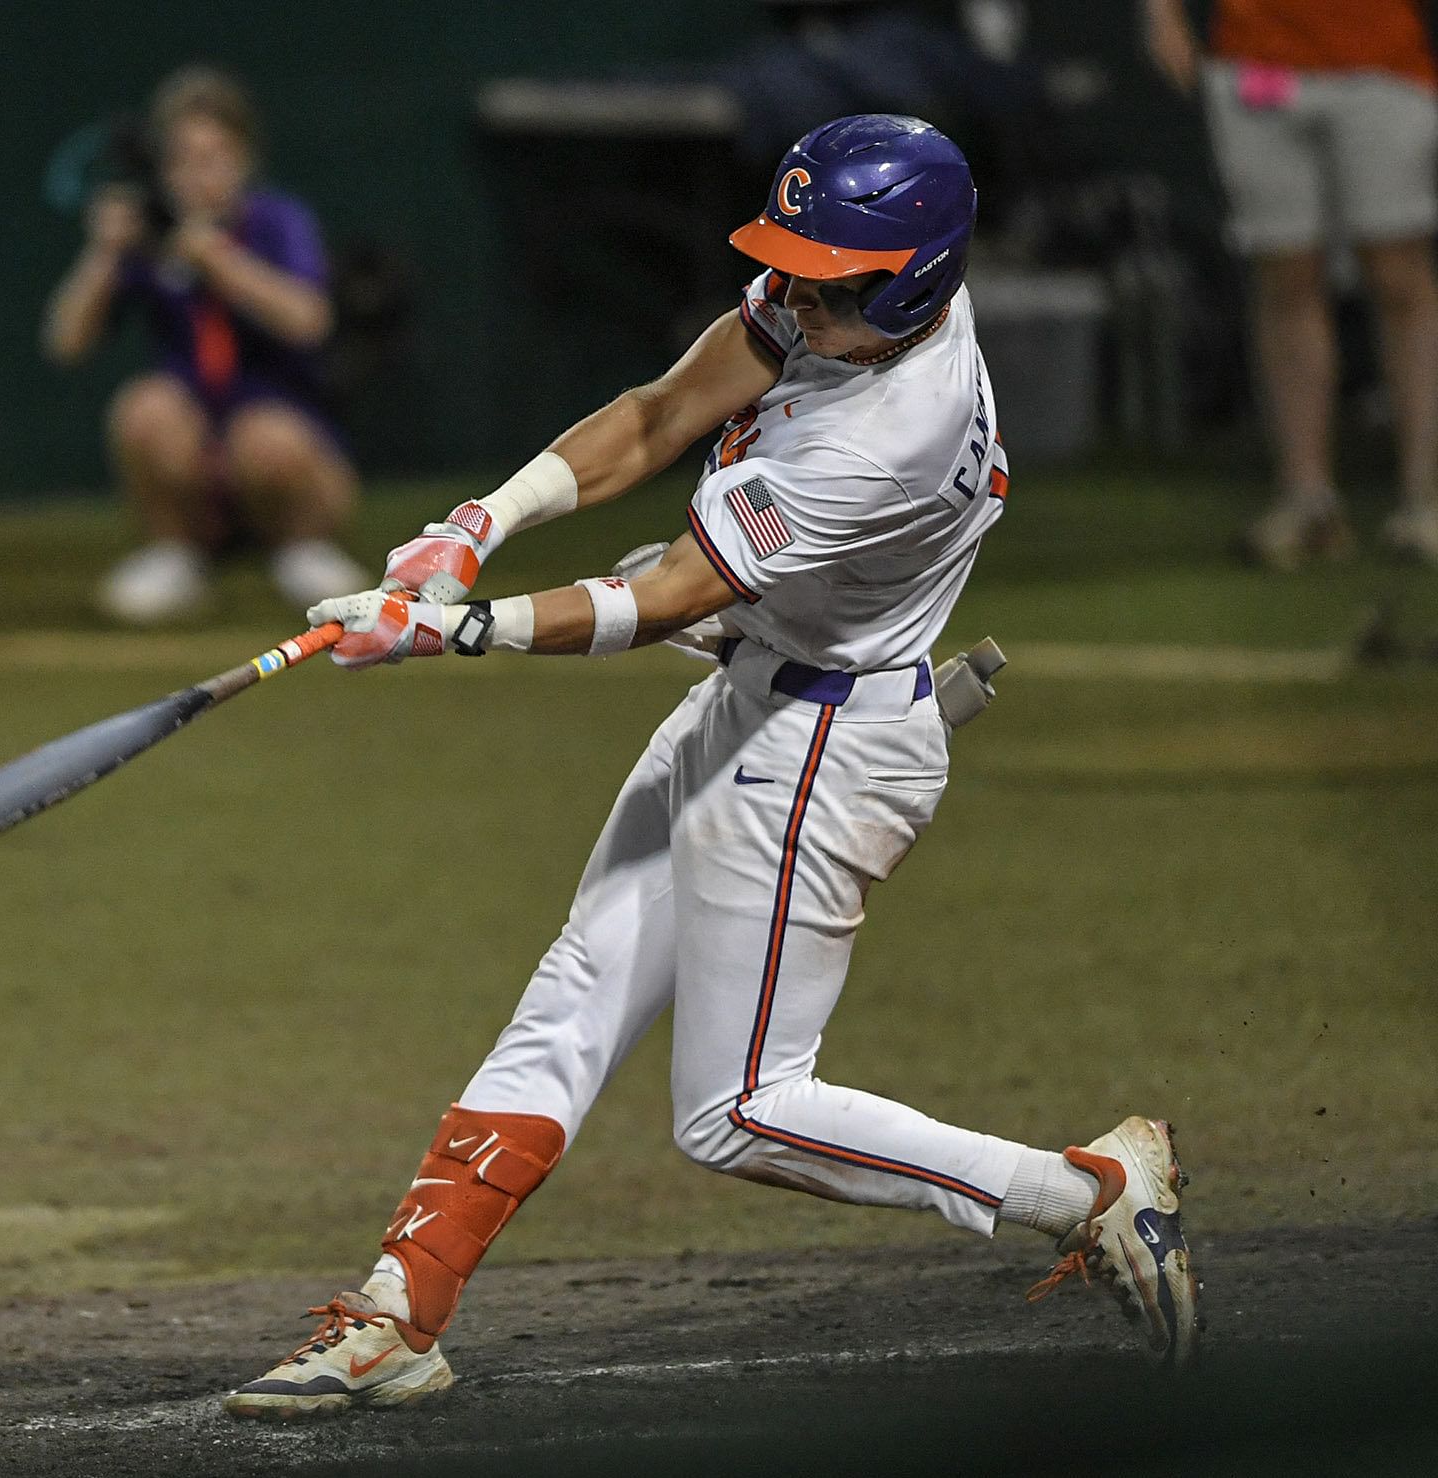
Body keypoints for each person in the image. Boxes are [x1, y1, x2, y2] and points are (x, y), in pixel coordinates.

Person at [220, 116, 1201, 1420]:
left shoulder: (883, 434)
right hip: (761, 696)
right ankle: (402, 1310)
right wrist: (470, 530)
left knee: (738, 1108)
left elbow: (661, 596)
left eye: (824, 273)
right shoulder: (845, 305)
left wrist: (449, 628)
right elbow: (659, 413)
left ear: (909, 278)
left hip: (822, 752)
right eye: (787, 263)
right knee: (575, 993)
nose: (790, 292)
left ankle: (1082, 1192)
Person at [44, 66, 368, 626]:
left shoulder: (277, 221)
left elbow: (309, 321)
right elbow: (65, 343)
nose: (199, 175)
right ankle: (177, 554)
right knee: (144, 411)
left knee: (266, 441)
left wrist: (219, 262)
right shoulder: (149, 237)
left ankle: (299, 549)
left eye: (213, 157)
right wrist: (102, 255)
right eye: (184, 159)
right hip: (195, 436)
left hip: (278, 435)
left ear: (243, 159)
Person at [1142, 0, 1438, 568]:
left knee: (1401, 275)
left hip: (1387, 60)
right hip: (1256, 59)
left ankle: (1422, 499)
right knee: (1285, 278)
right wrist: (1161, 13)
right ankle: (1308, 504)